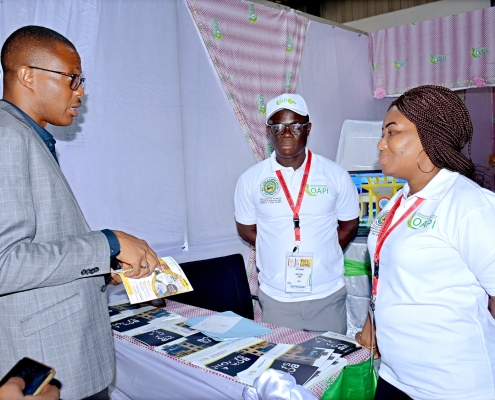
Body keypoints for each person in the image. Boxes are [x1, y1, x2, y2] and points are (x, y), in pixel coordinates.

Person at [0, 26, 160, 400]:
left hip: (63, 360)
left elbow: (43, 244)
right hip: (47, 370)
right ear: (27, 75)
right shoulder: (7, 137)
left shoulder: (26, 136)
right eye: (72, 78)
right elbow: (5, 263)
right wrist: (108, 244)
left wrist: (103, 266)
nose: (80, 92)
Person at [356, 85, 495, 400]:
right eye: (383, 133)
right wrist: (372, 325)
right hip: (395, 377)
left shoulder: (471, 206)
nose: (381, 143)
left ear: (429, 138)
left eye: (392, 133)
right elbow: (387, 276)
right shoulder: (396, 204)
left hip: (454, 387)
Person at [234, 93, 359, 333]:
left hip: (327, 296)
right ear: (269, 132)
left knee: (331, 357)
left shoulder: (335, 175)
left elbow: (349, 226)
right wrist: (275, 245)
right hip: (276, 299)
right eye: (278, 126)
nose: (286, 133)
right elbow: (247, 229)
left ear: (308, 128)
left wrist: (324, 250)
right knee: (281, 358)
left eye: (295, 126)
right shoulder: (251, 179)